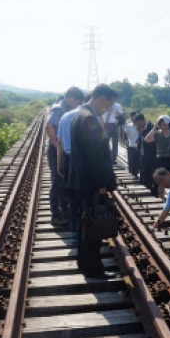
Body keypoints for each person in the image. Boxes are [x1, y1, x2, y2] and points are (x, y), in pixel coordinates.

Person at [68, 84, 119, 279]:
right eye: (107, 105)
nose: (106, 109)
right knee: (93, 225)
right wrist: (102, 184)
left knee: (85, 223)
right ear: (101, 99)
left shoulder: (78, 115)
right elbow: (95, 156)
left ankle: (85, 264)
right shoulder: (89, 118)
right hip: (90, 182)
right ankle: (94, 269)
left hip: (80, 180)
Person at [45, 87, 84, 226]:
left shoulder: (65, 108)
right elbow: (49, 126)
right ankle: (56, 214)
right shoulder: (58, 108)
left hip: (61, 149)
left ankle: (65, 211)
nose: (77, 104)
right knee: (57, 182)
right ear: (71, 98)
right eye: (77, 101)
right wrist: (57, 146)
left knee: (63, 182)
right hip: (56, 149)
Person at [56, 100, 84, 243]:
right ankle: (87, 231)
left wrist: (59, 164)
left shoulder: (65, 116)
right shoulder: (91, 116)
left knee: (72, 199)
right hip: (86, 161)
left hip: (68, 160)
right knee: (88, 197)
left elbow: (59, 143)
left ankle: (74, 233)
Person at [144, 115, 170, 198]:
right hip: (160, 158)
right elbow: (147, 140)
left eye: (165, 124)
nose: (163, 126)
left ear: (169, 124)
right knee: (160, 180)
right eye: (161, 124)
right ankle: (161, 197)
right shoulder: (157, 134)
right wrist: (154, 128)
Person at [134, 113, 158, 197]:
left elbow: (149, 139)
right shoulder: (140, 128)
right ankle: (145, 190)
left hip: (151, 155)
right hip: (142, 154)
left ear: (142, 121)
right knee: (144, 173)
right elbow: (140, 139)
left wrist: (142, 132)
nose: (137, 125)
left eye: (138, 123)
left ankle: (153, 193)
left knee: (152, 173)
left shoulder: (152, 127)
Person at [122, 111, 140, 178]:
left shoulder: (140, 125)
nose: (133, 118)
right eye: (132, 116)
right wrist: (126, 141)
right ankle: (131, 173)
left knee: (137, 160)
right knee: (131, 160)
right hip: (131, 145)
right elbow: (125, 134)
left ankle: (135, 173)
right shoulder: (128, 125)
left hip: (138, 145)